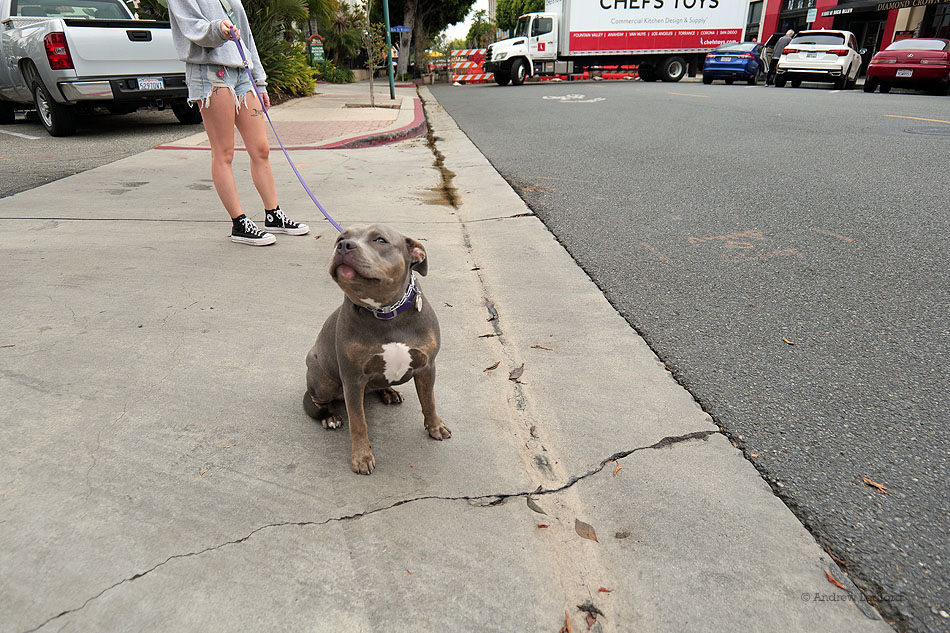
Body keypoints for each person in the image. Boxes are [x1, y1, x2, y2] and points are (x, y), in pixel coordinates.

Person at [166, 0, 309, 246]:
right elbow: (192, 27)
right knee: (224, 152)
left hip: (242, 72)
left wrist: (260, 80)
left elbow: (247, 36)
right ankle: (239, 223)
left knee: (261, 148)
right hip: (209, 70)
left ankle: (273, 214)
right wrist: (218, 29)